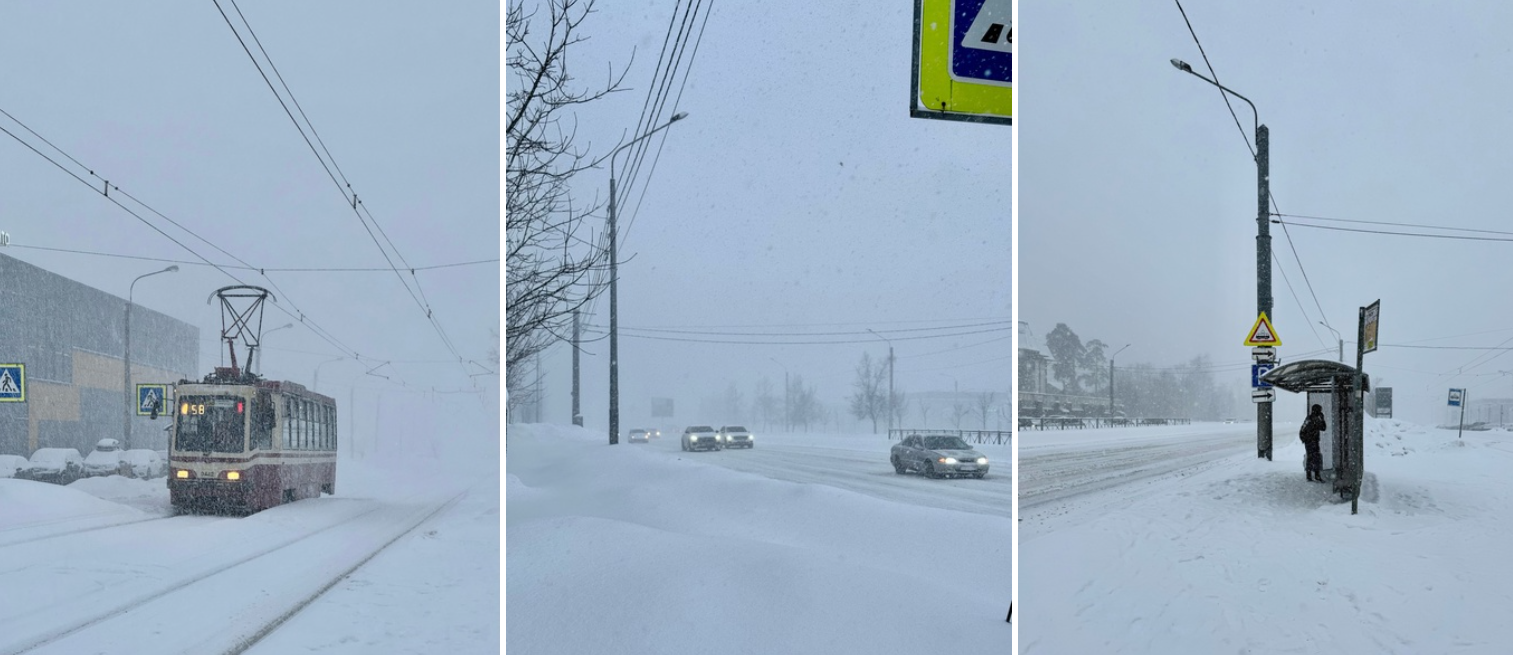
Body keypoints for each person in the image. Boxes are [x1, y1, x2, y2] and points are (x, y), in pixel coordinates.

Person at [1300, 404, 1326, 482]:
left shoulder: (1310, 418)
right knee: (1314, 457)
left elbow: (1323, 428)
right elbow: (1323, 428)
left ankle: (1311, 475)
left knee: (1313, 457)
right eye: (1320, 410)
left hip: (1311, 441)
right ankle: (1314, 475)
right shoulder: (1313, 419)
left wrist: (1304, 439)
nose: (1320, 411)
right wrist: (1321, 419)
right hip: (1311, 441)